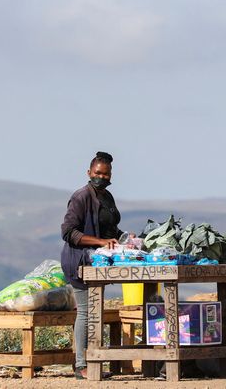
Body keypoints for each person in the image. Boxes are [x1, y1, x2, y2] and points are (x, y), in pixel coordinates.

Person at [60, 151, 123, 379]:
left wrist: (124, 237)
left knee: (95, 311)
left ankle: (92, 361)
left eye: (105, 174)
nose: (101, 178)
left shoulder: (107, 197)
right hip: (79, 262)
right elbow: (68, 232)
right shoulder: (81, 197)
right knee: (86, 311)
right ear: (89, 172)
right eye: (98, 173)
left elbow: (111, 230)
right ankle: (80, 365)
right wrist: (100, 242)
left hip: (97, 263)